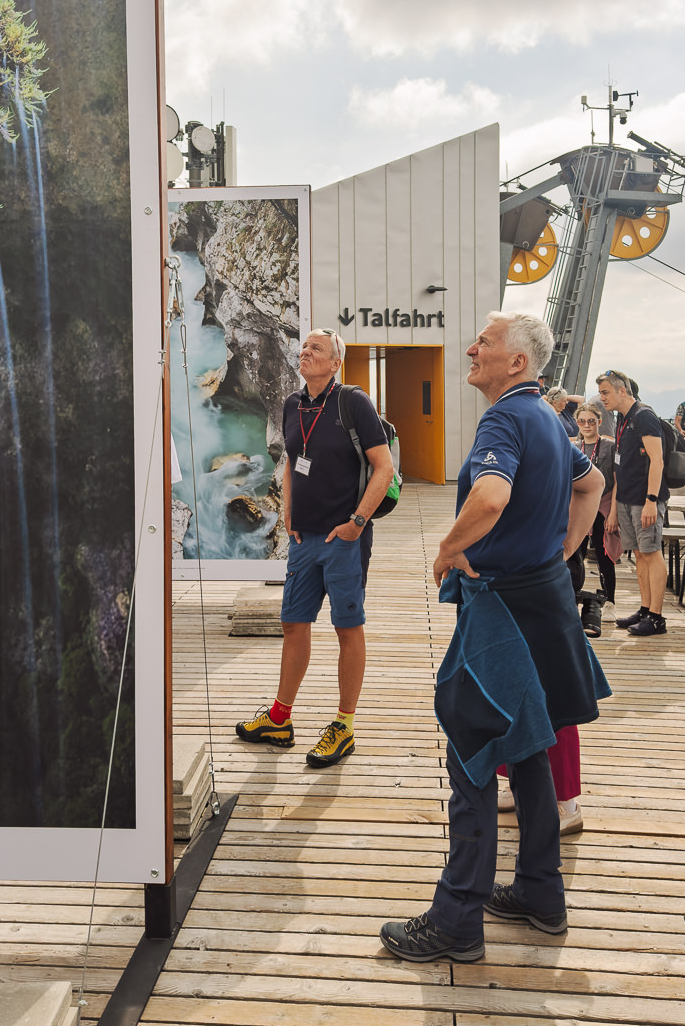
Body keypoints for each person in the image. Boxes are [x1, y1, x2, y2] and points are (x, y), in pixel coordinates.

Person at [380, 311, 607, 964]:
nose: (472, 347)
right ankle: (541, 892)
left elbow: (490, 498)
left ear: (517, 364)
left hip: (502, 610)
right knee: (528, 747)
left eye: (486, 341)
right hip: (544, 601)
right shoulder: (549, 419)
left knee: (473, 752)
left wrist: (448, 547)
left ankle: (456, 920)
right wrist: (562, 550)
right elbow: (589, 484)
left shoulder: (505, 418)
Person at [235, 329, 394, 768]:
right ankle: (280, 718)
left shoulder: (353, 402)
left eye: (316, 349)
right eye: (303, 347)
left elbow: (385, 467)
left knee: (347, 629)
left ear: (335, 362)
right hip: (303, 538)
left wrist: (357, 523)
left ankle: (343, 726)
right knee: (293, 624)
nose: (305, 353)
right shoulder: (292, 404)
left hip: (343, 539)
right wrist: (287, 511)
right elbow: (290, 459)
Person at [597, 369, 669, 636]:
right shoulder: (622, 419)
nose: (602, 398)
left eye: (606, 392)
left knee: (651, 553)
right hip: (626, 498)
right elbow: (619, 463)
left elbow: (657, 460)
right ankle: (645, 608)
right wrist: (614, 509)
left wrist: (651, 500)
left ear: (622, 391)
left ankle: (657, 618)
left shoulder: (644, 417)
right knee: (639, 554)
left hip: (644, 499)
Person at [574, 402, 620, 623]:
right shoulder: (573, 447)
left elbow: (617, 481)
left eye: (591, 420)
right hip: (581, 506)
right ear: (577, 423)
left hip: (604, 505)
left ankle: (610, 601)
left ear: (599, 422)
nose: (586, 425)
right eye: (582, 421)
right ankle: (571, 599)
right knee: (576, 554)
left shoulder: (610, 447)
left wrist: (614, 513)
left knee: (604, 555)